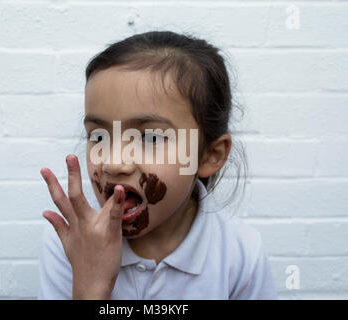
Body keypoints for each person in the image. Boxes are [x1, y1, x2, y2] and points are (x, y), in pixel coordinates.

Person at [37, 31, 277, 299]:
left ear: (210, 155)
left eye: (150, 137)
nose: (114, 163)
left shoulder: (241, 254)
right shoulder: (71, 243)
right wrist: (90, 285)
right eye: (98, 136)